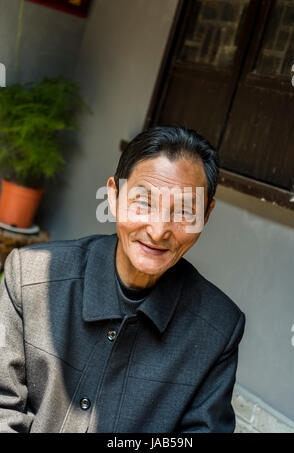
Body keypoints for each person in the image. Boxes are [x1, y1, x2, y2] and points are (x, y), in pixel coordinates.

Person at [0, 125, 245, 433]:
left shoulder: (218, 327)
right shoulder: (30, 276)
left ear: (205, 216)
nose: (158, 231)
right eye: (144, 202)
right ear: (113, 196)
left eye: (183, 211)